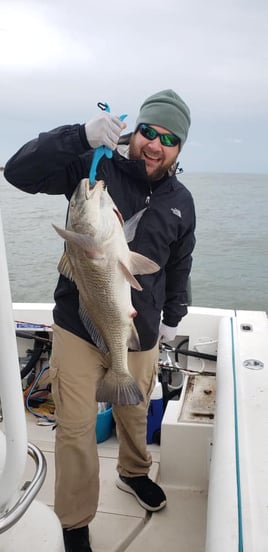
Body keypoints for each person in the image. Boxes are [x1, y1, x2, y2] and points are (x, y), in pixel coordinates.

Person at [4, 89, 196, 552]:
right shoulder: (95, 168)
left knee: (133, 412)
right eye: (148, 131)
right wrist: (78, 136)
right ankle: (73, 521)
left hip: (141, 330)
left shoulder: (181, 201)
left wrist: (173, 317)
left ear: (179, 148)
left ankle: (133, 473)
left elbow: (179, 264)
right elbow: (18, 172)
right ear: (135, 131)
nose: (154, 144)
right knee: (74, 428)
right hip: (76, 325)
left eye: (168, 138)